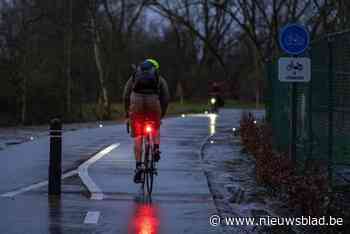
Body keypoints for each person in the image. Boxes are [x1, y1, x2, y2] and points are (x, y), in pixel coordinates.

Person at [123, 59, 170, 183]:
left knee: (138, 136)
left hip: (136, 104)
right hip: (153, 104)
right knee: (155, 127)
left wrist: (127, 114)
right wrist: (161, 115)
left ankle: (138, 166)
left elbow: (126, 95)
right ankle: (155, 148)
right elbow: (165, 97)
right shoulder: (159, 78)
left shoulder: (134, 77)